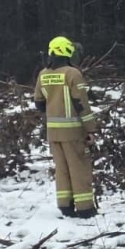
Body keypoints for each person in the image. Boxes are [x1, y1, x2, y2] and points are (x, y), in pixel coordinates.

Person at [33, 36, 99, 217]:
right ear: (67, 51)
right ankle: (85, 209)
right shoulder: (72, 73)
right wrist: (91, 129)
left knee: (61, 170)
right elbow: (81, 104)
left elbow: (39, 103)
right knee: (79, 168)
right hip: (73, 132)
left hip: (53, 133)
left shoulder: (43, 74)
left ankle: (65, 206)